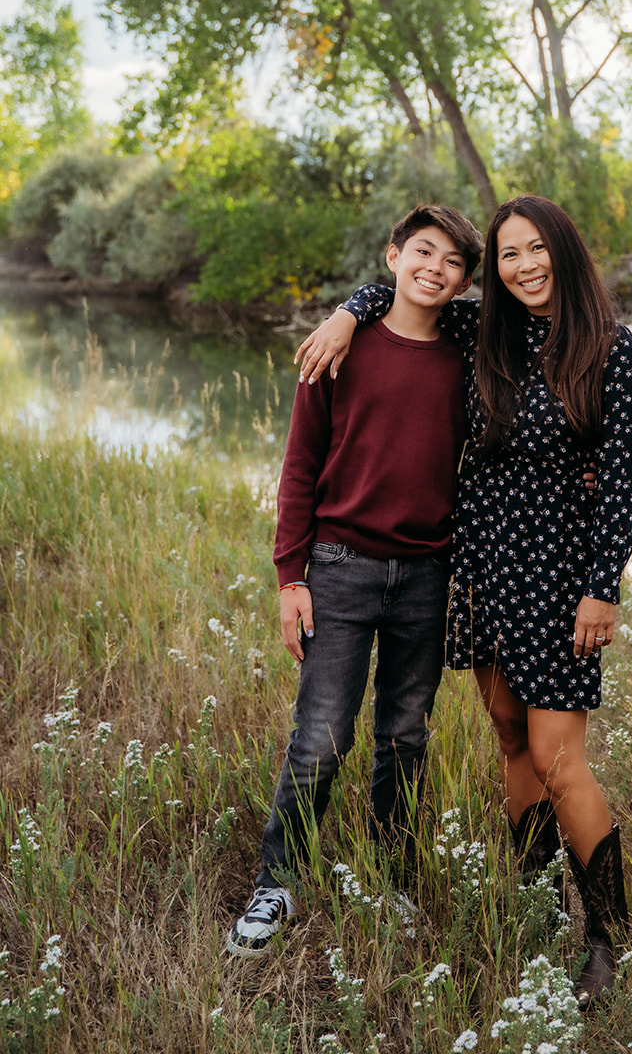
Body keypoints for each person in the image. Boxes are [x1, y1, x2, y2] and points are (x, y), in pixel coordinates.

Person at [295, 195, 632, 1009]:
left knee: (562, 763)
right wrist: (350, 313)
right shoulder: (479, 330)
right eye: (507, 255)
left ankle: (605, 938)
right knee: (508, 742)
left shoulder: (609, 349)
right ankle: (533, 903)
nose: (523, 267)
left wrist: (603, 588)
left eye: (535, 251)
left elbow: (622, 478)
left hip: (559, 576)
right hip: (481, 565)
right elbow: (410, 287)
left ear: (562, 250)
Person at [225, 205, 484, 958]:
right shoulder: (340, 348)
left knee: (404, 736)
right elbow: (300, 463)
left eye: (452, 263)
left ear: (464, 281)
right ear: (393, 255)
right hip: (339, 568)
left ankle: (393, 874)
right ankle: (277, 881)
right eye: (422, 253)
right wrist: (288, 575)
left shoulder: (466, 355)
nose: (434, 270)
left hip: (428, 574)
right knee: (321, 739)